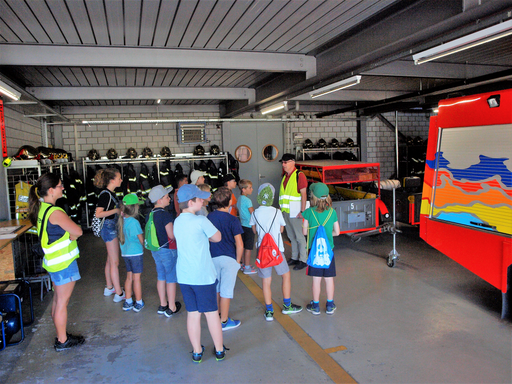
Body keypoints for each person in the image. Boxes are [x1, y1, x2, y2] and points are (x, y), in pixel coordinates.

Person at [28, 173, 85, 351]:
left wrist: (70, 234)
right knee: (62, 302)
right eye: (60, 186)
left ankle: (62, 336)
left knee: (58, 300)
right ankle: (62, 341)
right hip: (63, 263)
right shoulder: (56, 212)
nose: (63, 188)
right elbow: (78, 231)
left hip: (54, 263)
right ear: (51, 190)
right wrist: (72, 234)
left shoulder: (42, 208)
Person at [174, 184, 226, 363]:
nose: (203, 201)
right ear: (190, 202)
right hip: (203, 276)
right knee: (211, 313)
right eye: (200, 199)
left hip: (185, 276)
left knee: (193, 313)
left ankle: (197, 352)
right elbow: (217, 237)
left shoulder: (177, 221)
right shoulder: (201, 221)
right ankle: (219, 350)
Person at [250, 183, 303, 322]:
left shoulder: (254, 213)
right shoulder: (277, 212)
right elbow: (281, 230)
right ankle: (287, 306)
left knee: (266, 281)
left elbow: (254, 231)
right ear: (271, 197)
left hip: (262, 252)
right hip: (277, 251)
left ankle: (269, 311)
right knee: (285, 275)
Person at [208, 187, 244, 331]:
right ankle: (223, 321)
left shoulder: (209, 217)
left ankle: (216, 316)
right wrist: (238, 261)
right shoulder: (232, 219)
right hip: (229, 258)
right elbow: (239, 244)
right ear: (229, 202)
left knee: (216, 289)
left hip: (213, 257)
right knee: (226, 291)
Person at [302, 183, 341, 315]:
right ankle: (330, 305)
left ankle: (316, 306)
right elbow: (338, 232)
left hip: (314, 251)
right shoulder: (332, 212)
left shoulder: (308, 212)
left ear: (313, 196)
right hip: (328, 251)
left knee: (316, 279)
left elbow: (305, 232)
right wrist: (328, 235)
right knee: (329, 278)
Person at [147, 185, 182, 318]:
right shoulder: (165, 215)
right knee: (171, 277)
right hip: (168, 250)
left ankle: (163, 304)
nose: (169, 199)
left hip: (156, 250)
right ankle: (172, 306)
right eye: (167, 197)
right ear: (160, 200)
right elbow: (171, 235)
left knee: (161, 276)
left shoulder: (150, 214)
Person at [94, 168, 125, 301]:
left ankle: (109, 286)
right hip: (108, 228)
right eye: (119, 178)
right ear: (112, 180)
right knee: (115, 261)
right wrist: (116, 210)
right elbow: (98, 213)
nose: (121, 180)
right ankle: (118, 293)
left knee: (110, 259)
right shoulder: (105, 195)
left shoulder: (110, 193)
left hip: (110, 227)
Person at [278, 153, 308, 270]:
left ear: (292, 162)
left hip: (296, 212)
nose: (283, 165)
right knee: (291, 236)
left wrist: (303, 210)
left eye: (285, 162)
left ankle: (303, 260)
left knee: (299, 237)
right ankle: (295, 257)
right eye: (282, 162)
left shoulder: (299, 175)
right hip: (286, 212)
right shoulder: (285, 176)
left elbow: (303, 193)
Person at [117, 194, 145, 312]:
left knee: (129, 277)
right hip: (136, 254)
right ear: (135, 208)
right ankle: (138, 302)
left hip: (126, 254)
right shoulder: (134, 222)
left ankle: (128, 301)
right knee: (136, 278)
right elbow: (141, 240)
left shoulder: (122, 221)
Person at [236, 179, 256, 275]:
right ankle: (247, 267)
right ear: (243, 189)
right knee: (248, 248)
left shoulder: (240, 198)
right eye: (250, 188)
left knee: (243, 246)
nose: (251, 189)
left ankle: (244, 264)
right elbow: (253, 213)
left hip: (242, 225)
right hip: (249, 226)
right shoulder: (248, 200)